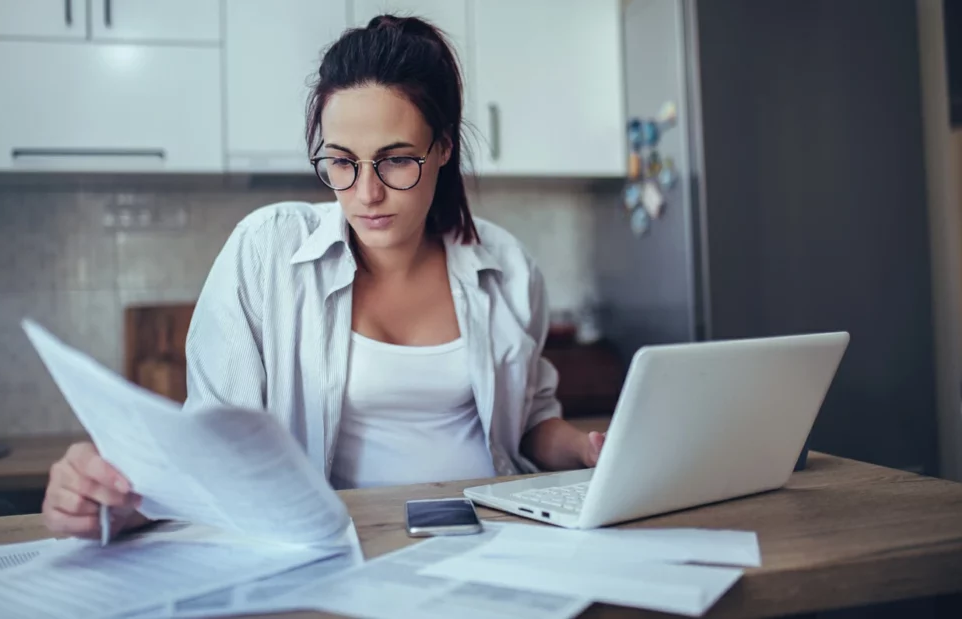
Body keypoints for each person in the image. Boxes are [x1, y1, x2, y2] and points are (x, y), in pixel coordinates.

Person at [41, 15, 606, 539]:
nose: (366, 193)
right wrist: (117, 499)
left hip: (495, 535)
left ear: (442, 148)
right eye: (341, 160)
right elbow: (212, 448)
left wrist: (587, 449)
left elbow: (530, 423)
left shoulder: (506, 268)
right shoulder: (265, 253)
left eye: (396, 159)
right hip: (338, 545)